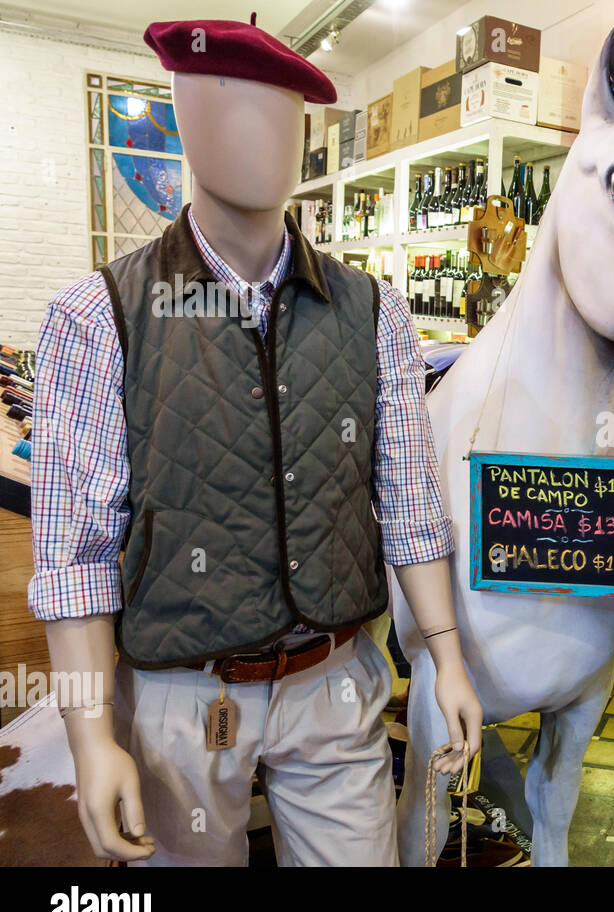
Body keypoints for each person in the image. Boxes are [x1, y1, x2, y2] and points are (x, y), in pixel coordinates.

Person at [28, 17, 480, 865]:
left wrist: (446, 657)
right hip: (177, 697)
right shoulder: (98, 319)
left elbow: (409, 503)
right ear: (184, 121)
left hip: (336, 680)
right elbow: (75, 553)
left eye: (283, 111)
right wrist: (91, 735)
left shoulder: (373, 311)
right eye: (225, 103)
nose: (258, 133)